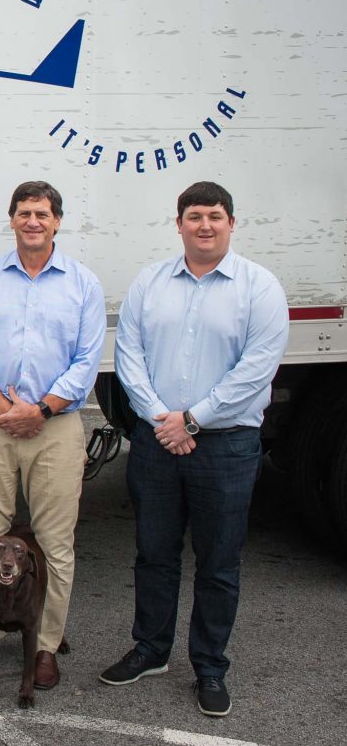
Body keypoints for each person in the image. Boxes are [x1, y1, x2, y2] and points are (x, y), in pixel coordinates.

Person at [100, 181, 287, 718]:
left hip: (226, 445)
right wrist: (162, 417)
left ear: (232, 223)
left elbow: (257, 368)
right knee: (153, 555)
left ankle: (210, 666)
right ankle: (150, 650)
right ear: (178, 223)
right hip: (159, 441)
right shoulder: (150, 282)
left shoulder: (260, 287)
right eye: (194, 216)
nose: (205, 225)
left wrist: (193, 419)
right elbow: (128, 354)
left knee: (219, 563)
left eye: (215, 216)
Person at [0, 181, 105, 690]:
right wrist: (5, 408)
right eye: (24, 213)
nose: (33, 221)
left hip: (56, 428)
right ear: (12, 219)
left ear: (58, 221)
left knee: (55, 545)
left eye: (42, 213)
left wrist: (39, 409)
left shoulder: (82, 284)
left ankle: (45, 648)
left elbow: (87, 363)